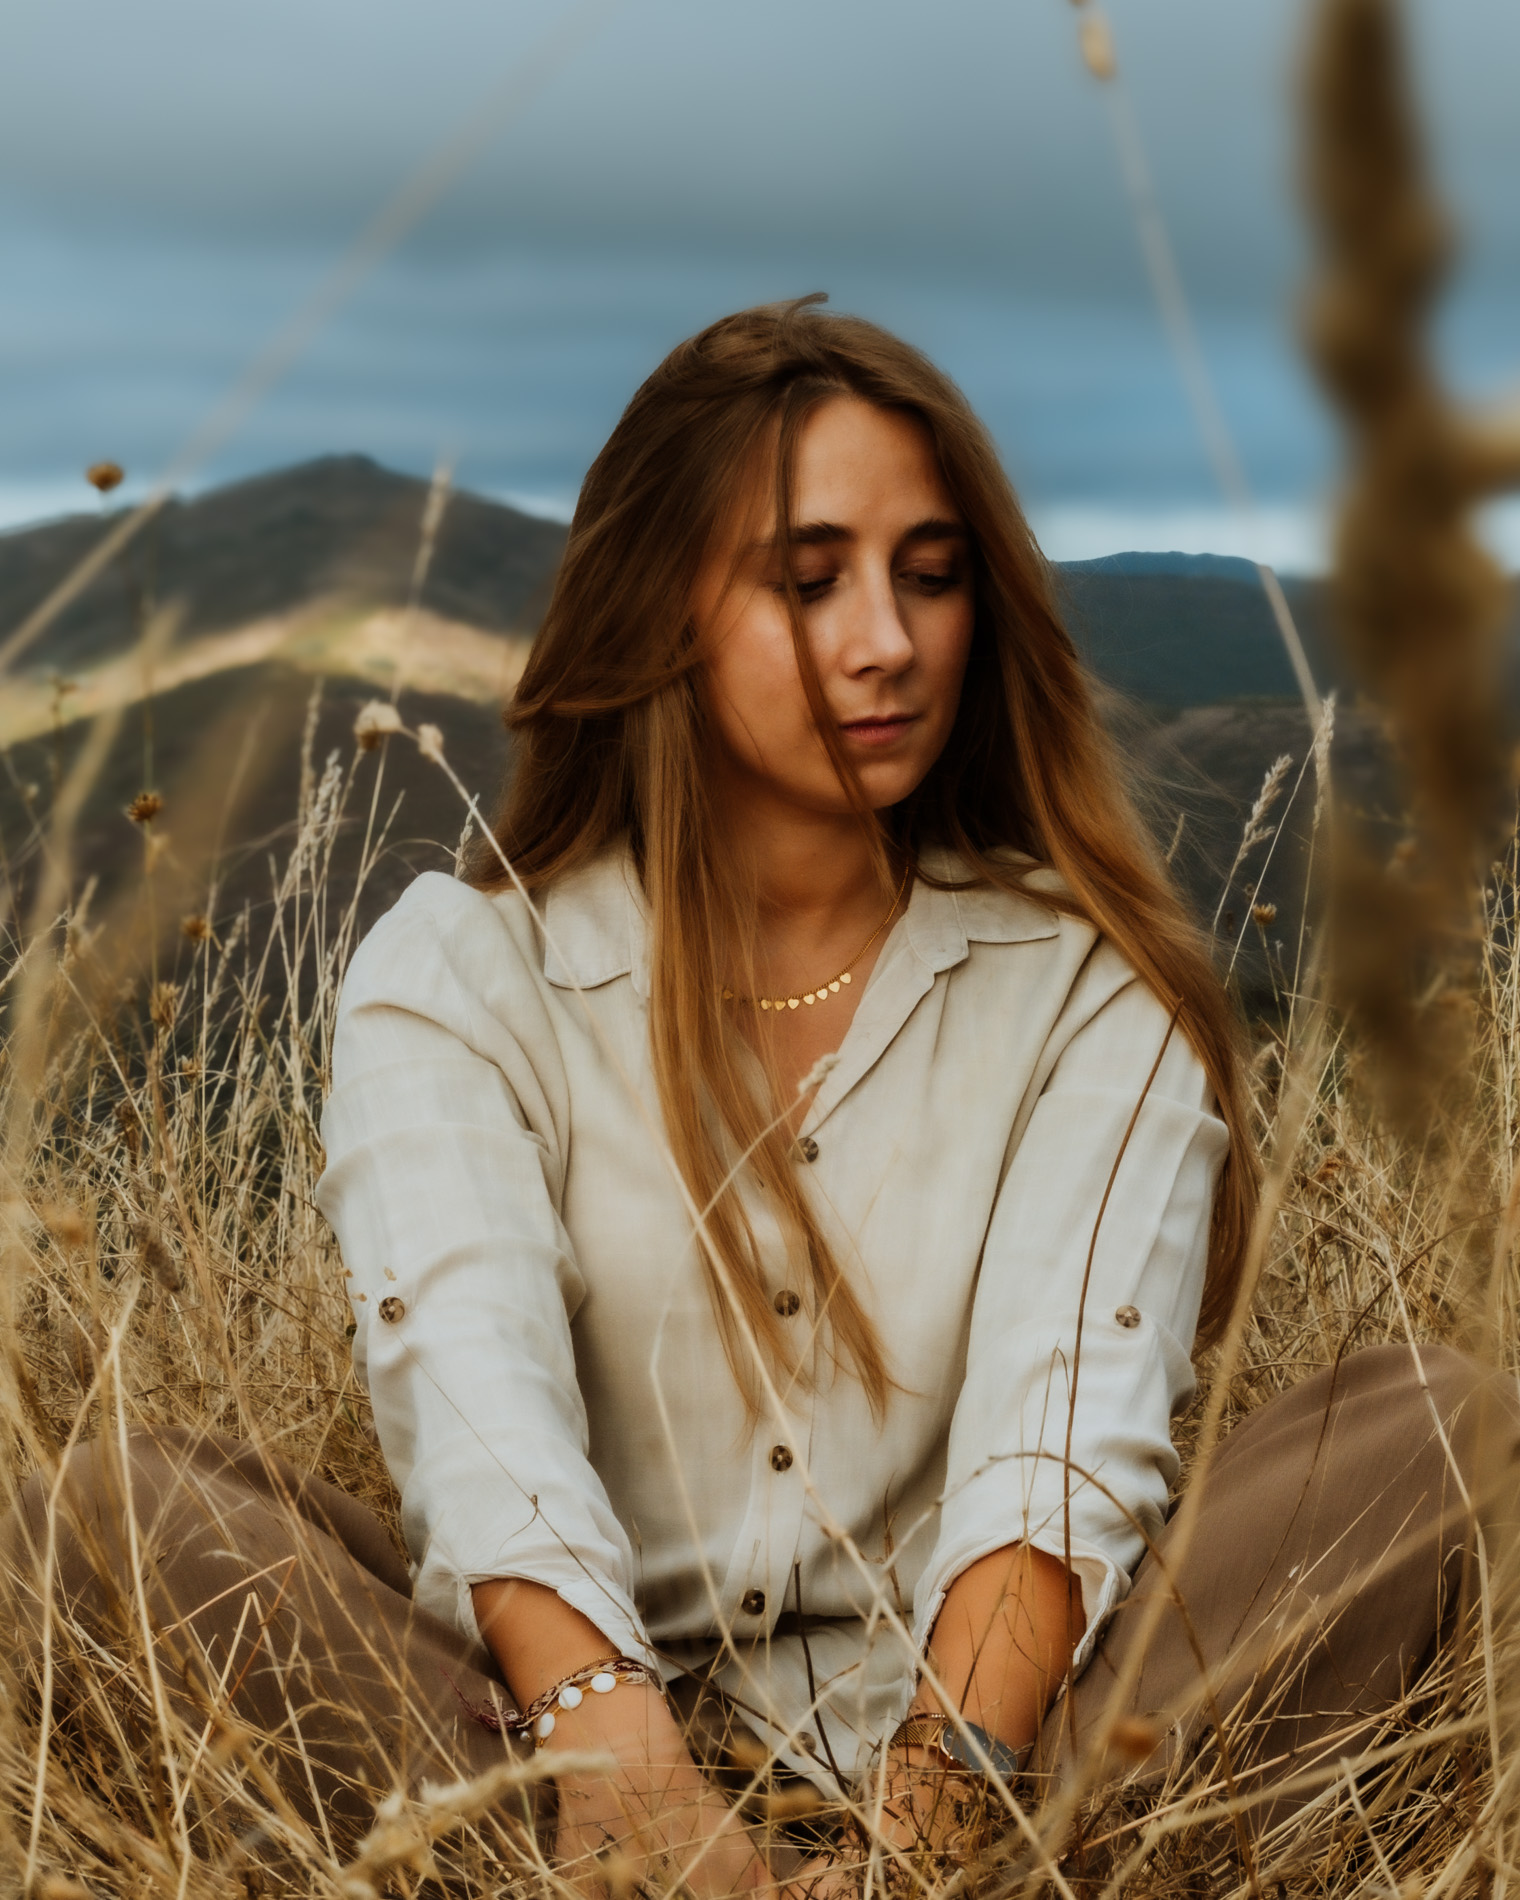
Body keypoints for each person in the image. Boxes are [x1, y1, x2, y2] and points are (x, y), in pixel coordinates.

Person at [7, 299, 1514, 1894]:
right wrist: (631, 1783)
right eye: (809, 581)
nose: (889, 639)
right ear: (661, 609)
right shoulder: (461, 973)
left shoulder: (1086, 983)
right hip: (533, 1755)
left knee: (1442, 1433)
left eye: (931, 577)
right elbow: (474, 1395)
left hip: (1015, 1763)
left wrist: (929, 1821)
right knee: (116, 1511)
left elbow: (1056, 1442)